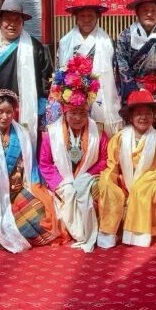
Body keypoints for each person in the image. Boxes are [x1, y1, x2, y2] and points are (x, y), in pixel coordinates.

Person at [0, 90, 58, 254]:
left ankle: (3, 234)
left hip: (17, 191)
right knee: (8, 229)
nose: (5, 116)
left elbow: (31, 166)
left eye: (9, 112)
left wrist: (35, 187)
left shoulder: (22, 133)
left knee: (41, 218)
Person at [38, 56, 110, 252]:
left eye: (82, 113)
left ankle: (89, 231)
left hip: (89, 177)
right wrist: (62, 183)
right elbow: (45, 164)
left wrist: (86, 176)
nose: (78, 118)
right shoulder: (51, 133)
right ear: (64, 112)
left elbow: (104, 159)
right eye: (73, 113)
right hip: (61, 180)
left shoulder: (98, 132)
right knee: (70, 191)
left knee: (86, 189)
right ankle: (79, 233)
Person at [97, 90, 156, 247]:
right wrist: (110, 180)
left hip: (153, 183)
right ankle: (109, 233)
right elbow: (112, 166)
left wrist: (146, 181)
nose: (143, 117)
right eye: (138, 114)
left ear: (153, 117)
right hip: (125, 183)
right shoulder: (119, 138)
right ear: (130, 117)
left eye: (148, 113)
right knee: (107, 184)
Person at [0, 0, 54, 144]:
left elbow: (46, 80)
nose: (12, 24)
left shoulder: (35, 48)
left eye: (17, 20)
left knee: (23, 147)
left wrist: (41, 110)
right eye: (7, 19)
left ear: (22, 23)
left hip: (24, 109)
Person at [51, 0, 122, 135]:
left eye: (91, 16)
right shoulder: (65, 42)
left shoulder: (107, 42)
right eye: (82, 16)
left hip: (99, 95)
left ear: (98, 16)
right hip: (73, 96)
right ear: (76, 17)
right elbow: (60, 71)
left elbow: (115, 75)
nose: (87, 20)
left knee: (98, 134)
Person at [115, 0, 156, 104]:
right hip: (133, 95)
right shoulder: (125, 36)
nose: (149, 14)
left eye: (153, 10)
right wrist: (136, 92)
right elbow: (122, 68)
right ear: (137, 12)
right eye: (145, 10)